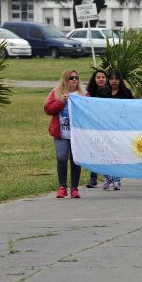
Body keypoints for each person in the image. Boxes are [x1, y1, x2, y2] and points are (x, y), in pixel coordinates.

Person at [44, 70, 85, 199]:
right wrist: (61, 101)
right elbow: (48, 109)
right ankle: (62, 187)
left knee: (75, 161)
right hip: (61, 133)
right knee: (61, 158)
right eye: (71, 78)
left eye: (76, 78)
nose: (74, 80)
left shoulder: (83, 94)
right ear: (65, 79)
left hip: (77, 134)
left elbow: (90, 112)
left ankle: (74, 188)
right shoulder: (56, 93)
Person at [96, 69, 134, 190]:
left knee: (118, 153)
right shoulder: (102, 92)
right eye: (111, 79)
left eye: (116, 79)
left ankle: (117, 180)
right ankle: (107, 178)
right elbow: (95, 107)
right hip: (105, 128)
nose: (113, 81)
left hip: (120, 129)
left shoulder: (126, 93)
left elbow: (133, 109)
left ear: (120, 80)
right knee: (106, 153)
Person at [84, 69, 107, 189]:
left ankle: (108, 177)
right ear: (94, 79)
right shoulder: (88, 94)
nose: (101, 79)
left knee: (106, 151)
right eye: (98, 77)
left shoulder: (111, 93)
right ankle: (93, 178)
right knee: (94, 151)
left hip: (108, 127)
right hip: (93, 126)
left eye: (103, 77)